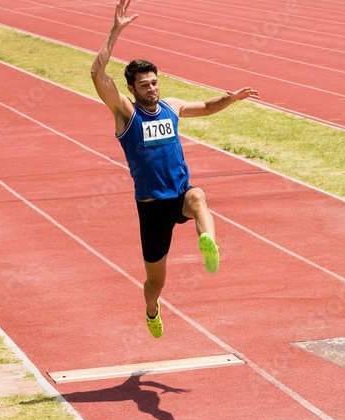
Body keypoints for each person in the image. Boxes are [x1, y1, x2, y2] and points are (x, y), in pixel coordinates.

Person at [90, 0, 259, 338]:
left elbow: (208, 107)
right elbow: (97, 74)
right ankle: (152, 310)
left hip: (179, 194)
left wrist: (233, 99)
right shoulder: (126, 113)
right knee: (156, 282)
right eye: (145, 85)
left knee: (199, 196)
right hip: (152, 208)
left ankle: (207, 241)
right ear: (132, 89)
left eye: (154, 82)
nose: (152, 89)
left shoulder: (172, 107)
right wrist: (115, 31)